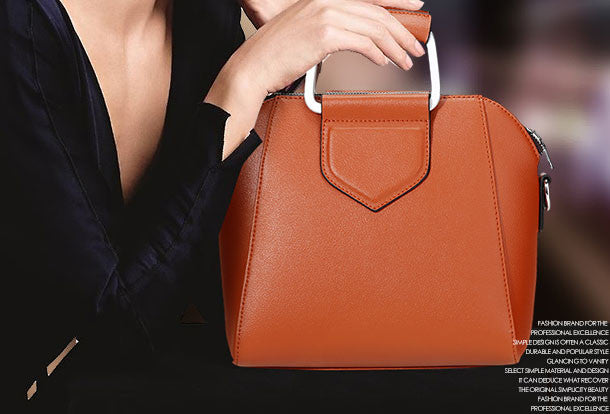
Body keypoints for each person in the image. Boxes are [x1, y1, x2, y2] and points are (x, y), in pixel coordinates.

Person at [1, 0, 426, 406]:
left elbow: (209, 282)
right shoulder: (18, 29)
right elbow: (114, 335)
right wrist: (245, 76)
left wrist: (287, 51)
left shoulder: (202, 14)